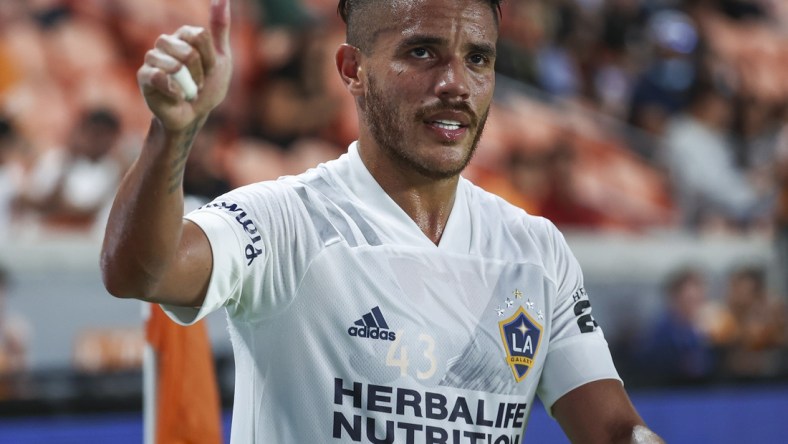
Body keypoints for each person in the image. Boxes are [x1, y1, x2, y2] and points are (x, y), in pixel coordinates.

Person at [100, 0, 664, 442]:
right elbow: (140, 273)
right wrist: (172, 132)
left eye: (478, 58)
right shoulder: (284, 221)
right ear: (353, 70)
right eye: (422, 52)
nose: (456, 84)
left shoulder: (536, 252)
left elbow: (614, 431)